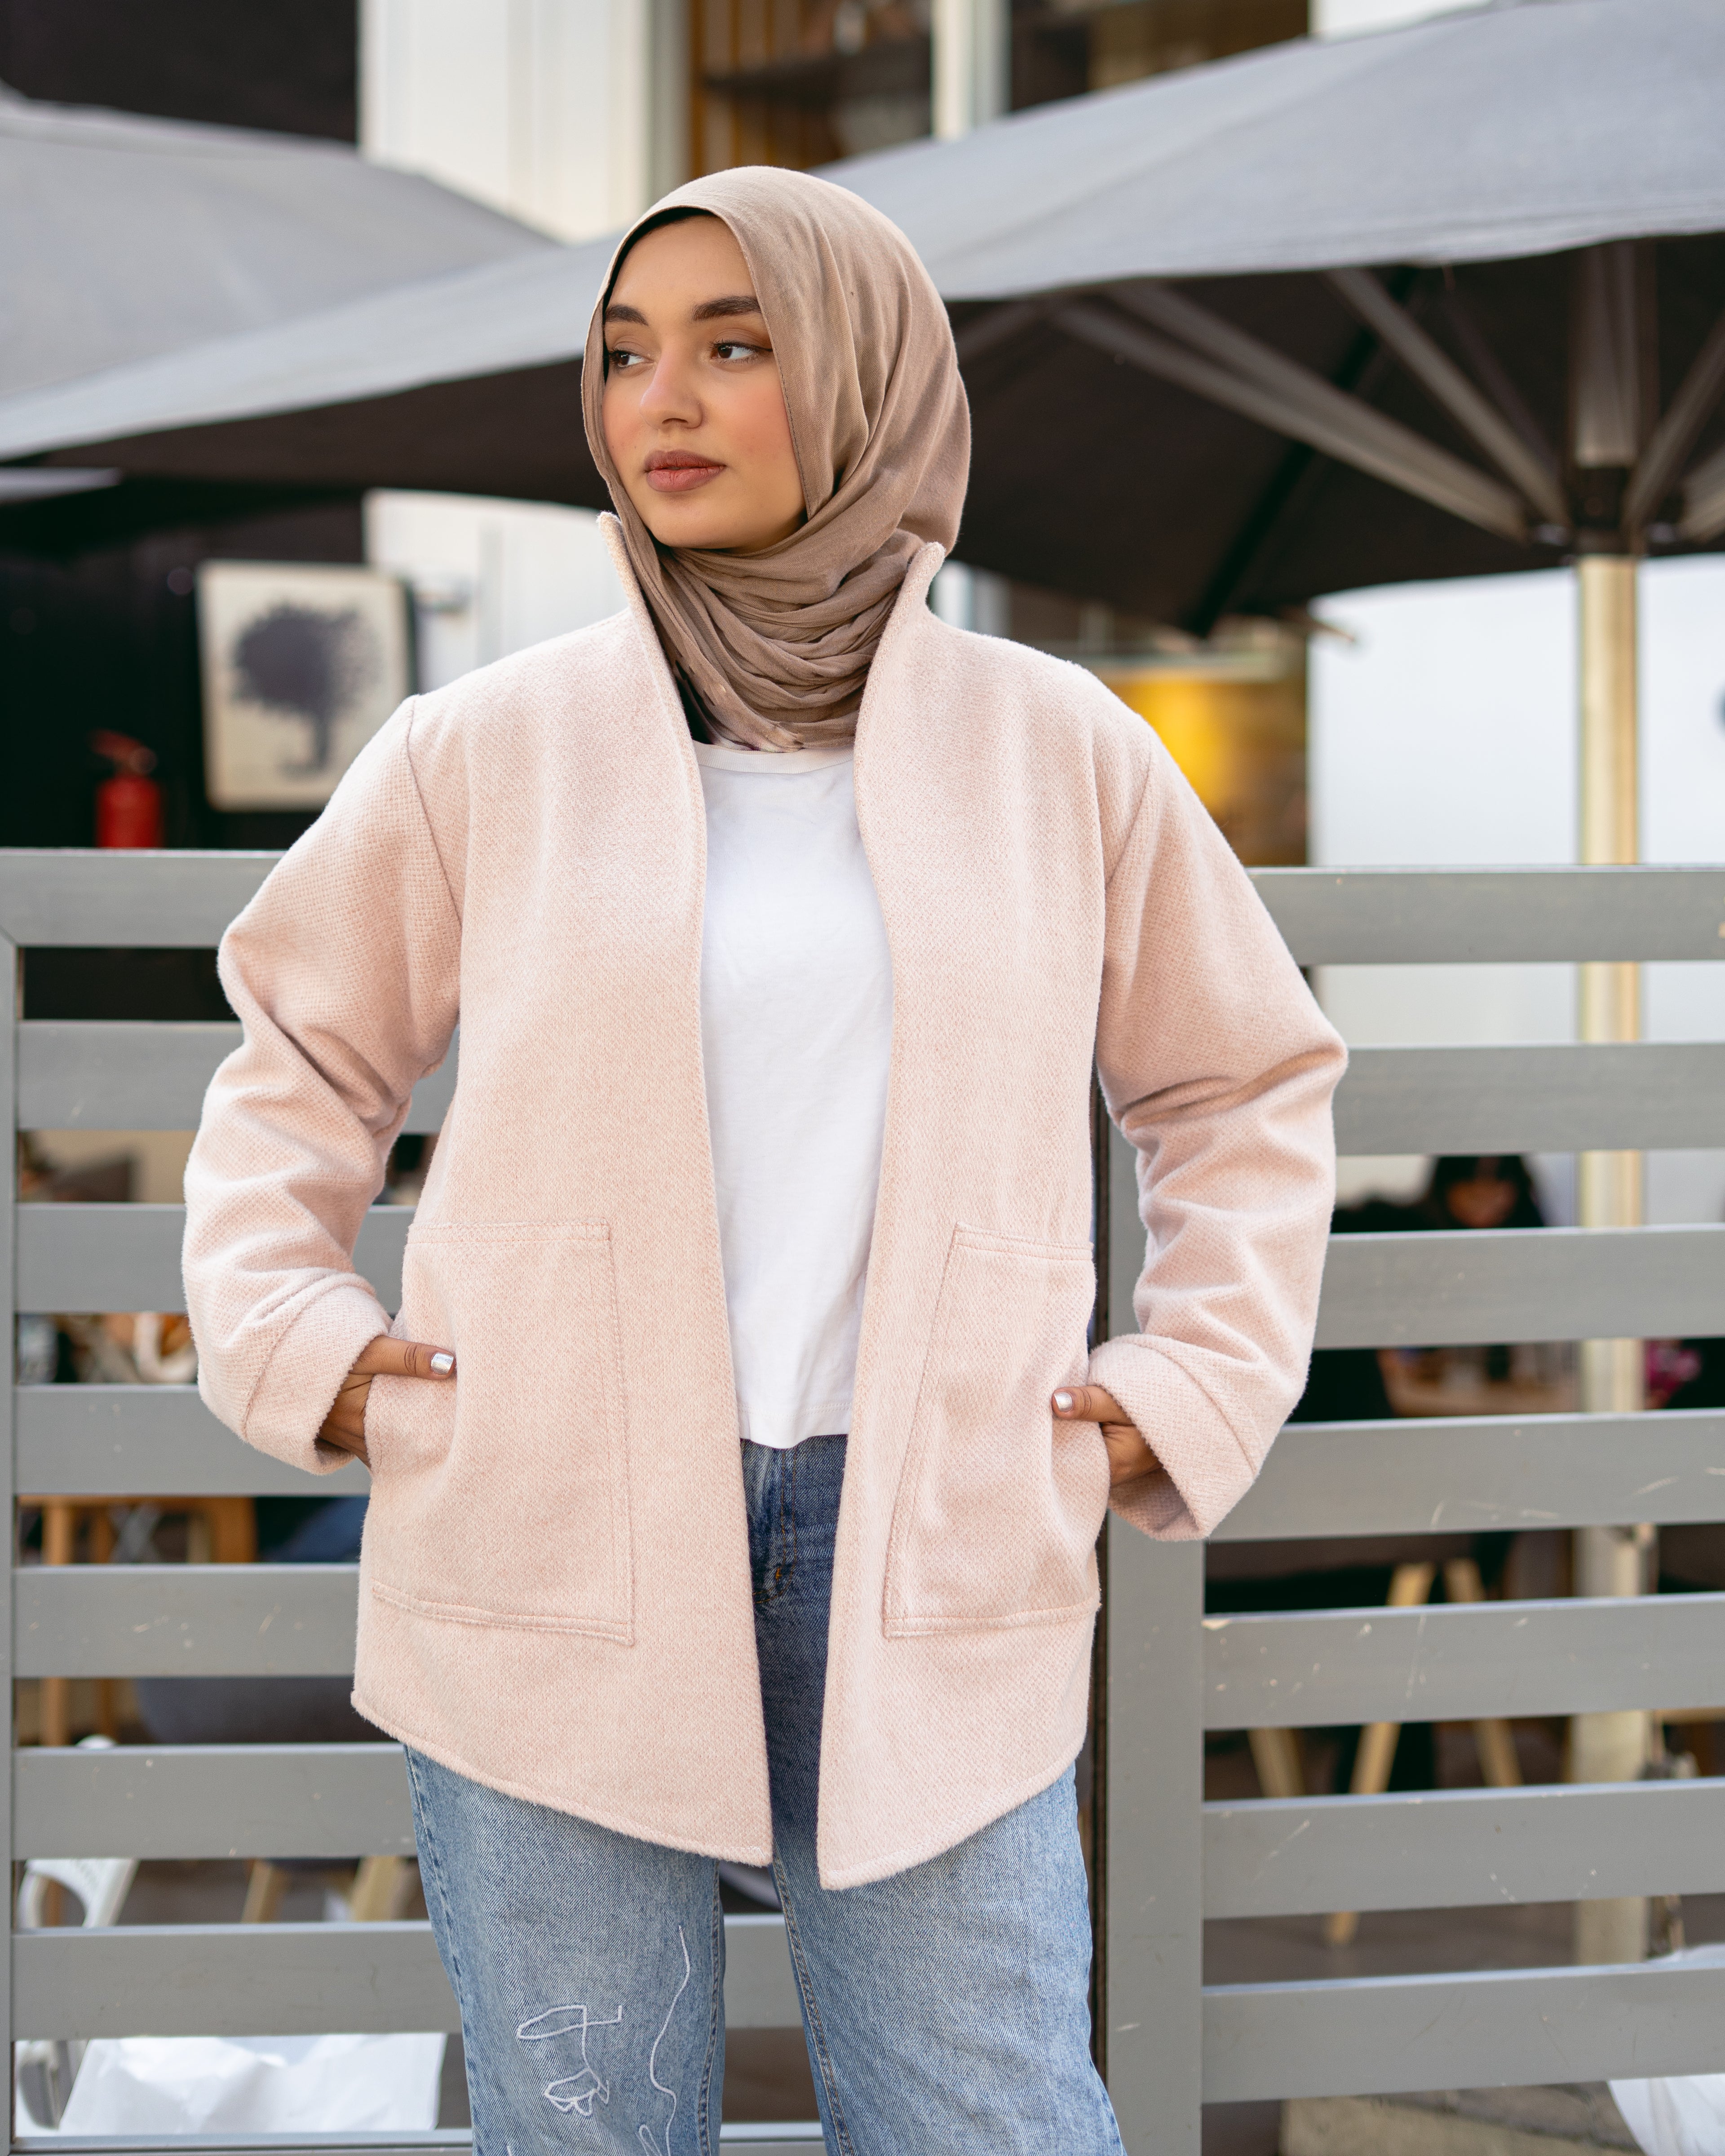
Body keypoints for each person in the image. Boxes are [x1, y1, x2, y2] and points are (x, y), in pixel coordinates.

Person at [183, 168, 1345, 2155]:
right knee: (592, 2130)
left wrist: (1192, 1385)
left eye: (739, 345)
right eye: (629, 353)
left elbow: (1244, 1084)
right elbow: (295, 1051)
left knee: (990, 2118)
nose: (667, 399)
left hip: (938, 1519)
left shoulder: (1056, 748)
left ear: (874, 377)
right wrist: (301, 1333)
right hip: (548, 1518)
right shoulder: (493, 748)